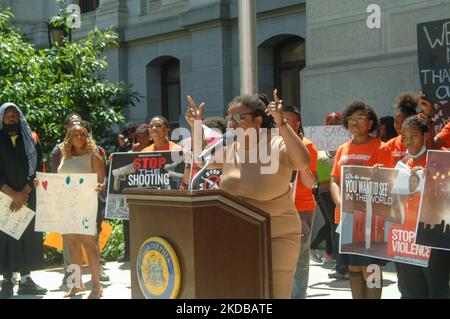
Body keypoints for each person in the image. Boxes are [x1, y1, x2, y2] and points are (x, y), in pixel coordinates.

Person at [186, 91, 311, 298]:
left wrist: (282, 123)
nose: (231, 124)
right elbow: (201, 159)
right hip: (238, 235)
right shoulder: (231, 149)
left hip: (277, 234)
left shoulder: (275, 143)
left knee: (275, 294)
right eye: (228, 118)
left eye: (238, 118)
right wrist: (196, 125)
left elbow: (302, 162)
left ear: (258, 120)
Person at [330, 100, 393, 299]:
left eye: (360, 118)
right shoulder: (342, 148)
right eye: (350, 118)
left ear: (371, 123)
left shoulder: (381, 148)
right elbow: (334, 179)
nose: (354, 122)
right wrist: (340, 202)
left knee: (371, 268)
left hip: (371, 219)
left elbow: (386, 182)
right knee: (353, 267)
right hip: (346, 217)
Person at [395, 116, 450, 298]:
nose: (409, 141)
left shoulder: (442, 157)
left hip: (434, 239)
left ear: (425, 136)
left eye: (414, 136)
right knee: (414, 290)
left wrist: (437, 177)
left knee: (437, 288)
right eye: (405, 137)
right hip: (407, 238)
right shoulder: (402, 163)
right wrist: (381, 176)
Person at [0, 102, 47, 299]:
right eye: (7, 114)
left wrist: (24, 192)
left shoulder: (31, 139)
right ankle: (8, 280)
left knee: (27, 236)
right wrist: (11, 193)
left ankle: (27, 279)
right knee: (6, 237)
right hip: (3, 198)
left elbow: (38, 166)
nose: (11, 117)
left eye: (14, 114)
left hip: (28, 196)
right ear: (2, 118)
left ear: (20, 117)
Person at [57, 124, 106, 299]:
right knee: (72, 245)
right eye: (75, 134)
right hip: (67, 207)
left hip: (86, 206)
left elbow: (102, 181)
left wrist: (100, 186)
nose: (79, 137)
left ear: (87, 136)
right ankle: (76, 285)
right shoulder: (65, 157)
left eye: (82, 134)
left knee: (89, 245)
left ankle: (96, 286)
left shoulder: (93, 156)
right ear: (69, 138)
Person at [283, 105, 318, 299]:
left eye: (288, 121)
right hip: (279, 206)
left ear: (297, 124)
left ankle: (298, 295)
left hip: (301, 207)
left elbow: (309, 182)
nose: (283, 124)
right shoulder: (273, 145)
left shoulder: (308, 145)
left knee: (301, 257)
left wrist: (299, 159)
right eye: (280, 120)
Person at [309, 112, 349, 280]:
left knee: (340, 225)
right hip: (324, 191)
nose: (333, 125)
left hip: (345, 190)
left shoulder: (347, 143)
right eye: (330, 122)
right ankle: (341, 265)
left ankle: (339, 260)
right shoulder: (318, 144)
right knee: (334, 224)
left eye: (337, 122)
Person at [119, 124, 152, 263]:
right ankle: (129, 252)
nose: (141, 140)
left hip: (150, 196)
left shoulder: (155, 150)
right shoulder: (131, 151)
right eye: (138, 137)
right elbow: (121, 169)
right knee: (128, 224)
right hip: (133, 195)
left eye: (145, 137)